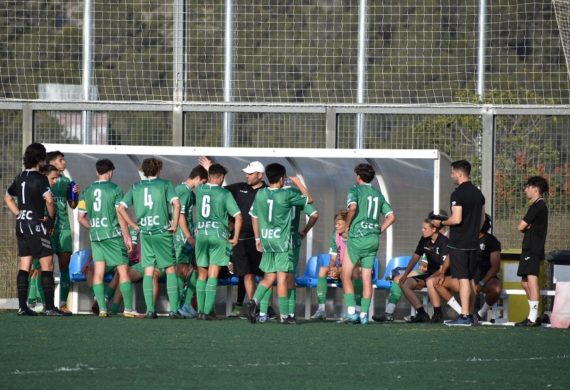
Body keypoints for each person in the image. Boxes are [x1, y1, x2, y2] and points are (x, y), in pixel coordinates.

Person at [4, 143, 69, 316]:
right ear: (39, 159)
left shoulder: (19, 177)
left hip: (21, 224)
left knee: (25, 264)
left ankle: (22, 307)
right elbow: (49, 200)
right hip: (35, 224)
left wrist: (19, 213)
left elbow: (7, 197)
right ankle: (49, 307)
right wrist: (51, 219)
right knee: (46, 263)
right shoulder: (40, 178)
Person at [199, 157, 267, 317]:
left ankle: (263, 308)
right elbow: (216, 187)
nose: (246, 176)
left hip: (261, 239)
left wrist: (210, 170)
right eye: (246, 173)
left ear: (260, 175)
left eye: (250, 174)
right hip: (241, 240)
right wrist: (211, 169)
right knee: (248, 274)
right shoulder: (238, 188)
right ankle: (253, 308)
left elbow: (213, 184)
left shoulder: (267, 191)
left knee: (265, 275)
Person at [247, 163, 313, 324]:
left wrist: (257, 239)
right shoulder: (286, 195)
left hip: (266, 239)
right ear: (282, 178)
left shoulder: (261, 193)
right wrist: (298, 183)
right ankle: (285, 315)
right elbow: (310, 200)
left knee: (269, 276)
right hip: (281, 241)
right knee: (282, 278)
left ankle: (254, 301)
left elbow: (253, 216)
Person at [117, 157, 182, 319]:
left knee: (148, 269)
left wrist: (133, 224)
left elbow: (121, 208)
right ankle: (174, 310)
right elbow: (177, 204)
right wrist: (174, 224)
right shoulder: (165, 184)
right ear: (159, 169)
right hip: (161, 232)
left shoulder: (135, 186)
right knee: (170, 268)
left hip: (145, 233)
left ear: (143, 171)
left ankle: (151, 310)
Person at [77, 159, 138, 318]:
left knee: (98, 271)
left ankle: (103, 309)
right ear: (111, 172)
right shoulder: (116, 189)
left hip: (96, 236)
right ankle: (128, 309)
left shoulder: (87, 191)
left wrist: (95, 227)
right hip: (113, 236)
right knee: (123, 269)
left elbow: (81, 218)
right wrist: (127, 236)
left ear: (97, 172)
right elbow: (120, 214)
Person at [339, 163, 396, 325]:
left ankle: (351, 312)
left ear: (358, 176)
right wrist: (379, 230)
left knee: (346, 275)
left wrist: (348, 226)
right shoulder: (378, 194)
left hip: (357, 238)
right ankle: (364, 314)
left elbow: (352, 208)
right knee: (366, 278)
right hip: (372, 239)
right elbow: (391, 217)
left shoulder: (354, 190)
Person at [431, 160, 485, 327]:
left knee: (463, 279)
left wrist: (442, 223)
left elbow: (456, 219)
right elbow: (482, 219)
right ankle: (471, 314)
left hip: (460, 242)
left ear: (460, 173)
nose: (451, 175)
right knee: (469, 280)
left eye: (453, 172)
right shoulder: (478, 193)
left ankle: (465, 315)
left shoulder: (458, 194)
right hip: (473, 242)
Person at [429, 214, 502, 323]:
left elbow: (495, 266)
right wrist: (442, 272)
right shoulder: (465, 238)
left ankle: (479, 314)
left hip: (484, 280)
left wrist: (482, 283)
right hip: (465, 279)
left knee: (496, 289)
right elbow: (451, 255)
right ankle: (463, 314)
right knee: (436, 282)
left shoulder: (491, 240)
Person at [374, 218, 448, 323]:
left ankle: (438, 314)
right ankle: (421, 313)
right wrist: (406, 274)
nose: (422, 230)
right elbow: (415, 257)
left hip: (442, 274)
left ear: (434, 229)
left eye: (425, 228)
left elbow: (443, 268)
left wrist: (430, 276)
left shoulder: (444, 241)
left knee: (429, 280)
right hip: (427, 273)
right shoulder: (424, 239)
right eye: (422, 228)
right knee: (402, 281)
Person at [194, 163, 242, 320]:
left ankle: (200, 311)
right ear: (221, 178)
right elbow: (238, 216)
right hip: (218, 234)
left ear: (208, 176)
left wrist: (208, 169)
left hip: (201, 233)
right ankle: (207, 312)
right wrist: (235, 237)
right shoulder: (224, 193)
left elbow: (200, 182)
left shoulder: (199, 190)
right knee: (213, 273)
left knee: (202, 274)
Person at [279, 177, 318, 322]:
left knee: (271, 275)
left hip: (273, 239)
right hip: (293, 239)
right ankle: (290, 313)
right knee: (289, 276)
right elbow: (314, 214)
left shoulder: (272, 194)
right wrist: (304, 231)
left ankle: (263, 311)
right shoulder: (296, 194)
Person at [45, 151, 79, 313]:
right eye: (60, 160)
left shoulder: (67, 181)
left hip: (64, 228)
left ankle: (63, 303)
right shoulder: (42, 180)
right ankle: (41, 302)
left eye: (64, 160)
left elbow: (72, 205)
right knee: (45, 266)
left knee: (65, 265)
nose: (64, 163)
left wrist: (75, 196)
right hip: (48, 228)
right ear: (51, 162)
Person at [174, 165, 208, 318]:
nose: (202, 186)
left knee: (194, 267)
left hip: (188, 234)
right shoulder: (184, 192)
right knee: (181, 269)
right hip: (182, 236)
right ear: (198, 179)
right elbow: (180, 215)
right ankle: (177, 307)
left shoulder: (187, 192)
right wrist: (188, 236)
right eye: (203, 182)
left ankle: (186, 304)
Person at [515, 176, 549, 327]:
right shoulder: (534, 206)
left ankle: (533, 319)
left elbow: (520, 226)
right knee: (524, 283)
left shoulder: (538, 206)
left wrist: (527, 226)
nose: (525, 190)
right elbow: (524, 227)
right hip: (528, 248)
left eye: (528, 187)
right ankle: (533, 315)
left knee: (532, 281)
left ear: (536, 189)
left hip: (533, 249)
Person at [27, 164, 61, 313]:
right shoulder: (37, 189)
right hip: (34, 231)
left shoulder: (48, 191)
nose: (54, 181)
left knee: (42, 267)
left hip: (45, 232)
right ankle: (33, 300)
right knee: (35, 266)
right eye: (53, 178)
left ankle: (38, 300)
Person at [310, 210, 354, 320]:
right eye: (335, 224)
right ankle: (321, 310)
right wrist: (332, 268)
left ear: (347, 224)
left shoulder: (354, 236)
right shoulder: (335, 236)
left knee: (350, 273)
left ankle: (350, 311)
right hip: (340, 268)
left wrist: (340, 270)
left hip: (353, 269)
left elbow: (357, 261)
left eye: (339, 224)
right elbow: (333, 257)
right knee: (322, 270)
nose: (336, 226)